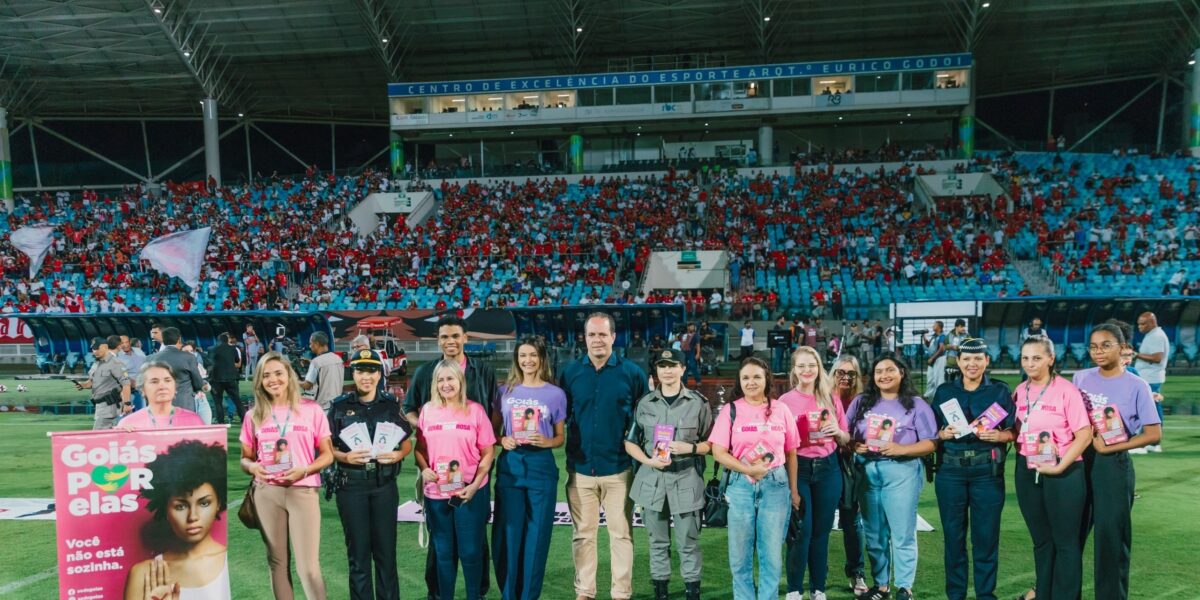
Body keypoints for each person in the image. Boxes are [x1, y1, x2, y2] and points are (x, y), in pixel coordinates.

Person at [403, 315, 498, 600]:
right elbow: (414, 427)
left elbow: (493, 418)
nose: (450, 341)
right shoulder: (426, 381)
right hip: (437, 486)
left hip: (473, 480)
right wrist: (427, 428)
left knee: (473, 546)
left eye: (455, 336)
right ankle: (439, 593)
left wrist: (478, 475)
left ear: (465, 338)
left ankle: (476, 593)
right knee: (442, 548)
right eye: (444, 336)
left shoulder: (481, 378)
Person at [558, 312, 648, 600]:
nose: (597, 340)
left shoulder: (632, 373)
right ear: (584, 338)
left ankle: (621, 593)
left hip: (619, 469)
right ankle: (585, 591)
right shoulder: (570, 373)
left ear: (613, 337)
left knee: (621, 534)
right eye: (591, 334)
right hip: (580, 469)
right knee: (583, 534)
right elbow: (561, 416)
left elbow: (644, 419)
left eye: (602, 334)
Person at [1074, 324, 1162, 600]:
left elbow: (1153, 434)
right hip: (1079, 462)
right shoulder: (1080, 377)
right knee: (1069, 536)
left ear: (1122, 348)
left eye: (1106, 345)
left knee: (1110, 540)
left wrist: (1112, 446)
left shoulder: (1137, 385)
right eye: (1093, 346)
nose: (1098, 351)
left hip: (1112, 464)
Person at [239, 352, 334, 600]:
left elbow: (327, 455)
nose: (273, 380)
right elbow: (245, 458)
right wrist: (253, 468)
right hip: (266, 493)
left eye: (278, 373)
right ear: (259, 381)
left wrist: (305, 469)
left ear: (289, 375)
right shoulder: (253, 415)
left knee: (308, 567)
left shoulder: (311, 410)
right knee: (277, 563)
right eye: (266, 375)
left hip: (303, 489)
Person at [707, 356, 800, 600]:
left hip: (776, 486)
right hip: (740, 485)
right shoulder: (731, 410)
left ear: (766, 379)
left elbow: (791, 453)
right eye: (746, 377)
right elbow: (718, 452)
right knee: (739, 556)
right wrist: (748, 470)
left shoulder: (781, 409)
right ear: (739, 381)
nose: (751, 382)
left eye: (757, 377)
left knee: (771, 556)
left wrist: (793, 491)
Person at [847, 353, 938, 600]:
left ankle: (904, 586)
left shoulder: (916, 404)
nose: (884, 376)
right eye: (879, 371)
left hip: (902, 471)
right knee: (874, 533)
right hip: (867, 472)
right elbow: (846, 435)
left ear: (902, 373)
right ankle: (881, 586)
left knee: (902, 532)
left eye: (890, 370)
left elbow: (931, 442)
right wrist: (855, 446)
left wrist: (902, 449)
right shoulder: (861, 402)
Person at [624, 348, 713, 600]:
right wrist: (647, 460)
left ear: (683, 369)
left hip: (686, 480)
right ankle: (660, 592)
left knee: (688, 543)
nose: (667, 371)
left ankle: (692, 593)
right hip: (652, 481)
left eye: (673, 365)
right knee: (657, 542)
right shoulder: (644, 403)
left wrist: (690, 448)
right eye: (662, 366)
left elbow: (712, 444)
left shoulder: (698, 403)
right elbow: (630, 442)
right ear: (656, 370)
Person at [930, 338, 1015, 600]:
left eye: (978, 358)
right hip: (950, 472)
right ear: (958, 361)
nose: (972, 364)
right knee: (953, 538)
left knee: (986, 538)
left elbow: (1014, 431)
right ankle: (956, 595)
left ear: (987, 361)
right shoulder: (944, 391)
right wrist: (942, 433)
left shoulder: (1000, 391)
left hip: (987, 472)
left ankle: (985, 595)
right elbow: (929, 430)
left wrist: (1000, 436)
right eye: (966, 358)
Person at [328, 349, 414, 600]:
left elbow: (406, 441)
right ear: (353, 373)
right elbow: (325, 447)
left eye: (371, 371)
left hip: (384, 484)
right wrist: (344, 457)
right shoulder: (339, 406)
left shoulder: (390, 405)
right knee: (358, 556)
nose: (366, 376)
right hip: (351, 486)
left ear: (379, 374)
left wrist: (398, 455)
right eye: (360, 371)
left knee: (386, 555)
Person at [1010, 337, 1091, 600]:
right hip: (1027, 470)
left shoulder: (1067, 390)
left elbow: (1084, 435)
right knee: (1041, 541)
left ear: (1050, 358)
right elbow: (1016, 431)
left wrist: (1059, 468)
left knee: (1066, 543)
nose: (1030, 363)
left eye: (1036, 358)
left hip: (1064, 472)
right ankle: (1043, 594)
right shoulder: (1019, 391)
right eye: (1025, 358)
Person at [494, 336, 567, 600]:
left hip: (541, 467)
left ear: (542, 358)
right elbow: (493, 432)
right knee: (510, 534)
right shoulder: (504, 392)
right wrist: (503, 440)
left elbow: (560, 437)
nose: (528, 360)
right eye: (523, 355)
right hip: (511, 466)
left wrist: (547, 441)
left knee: (537, 537)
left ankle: (529, 596)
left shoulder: (555, 394)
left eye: (533, 355)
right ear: (516, 359)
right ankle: (509, 595)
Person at [778, 347, 851, 600]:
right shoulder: (784, 401)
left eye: (812, 365)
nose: (807, 370)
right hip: (798, 469)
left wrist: (837, 431)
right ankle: (794, 589)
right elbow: (780, 440)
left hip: (829, 469)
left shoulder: (830, 397)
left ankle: (818, 588)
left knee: (821, 533)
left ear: (819, 368)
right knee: (800, 532)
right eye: (801, 366)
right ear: (794, 370)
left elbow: (846, 437)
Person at [124, 439, 230, 600]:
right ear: (166, 509)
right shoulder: (143, 575)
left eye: (204, 503)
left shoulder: (234, 564)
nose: (193, 517)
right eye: (181, 506)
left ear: (219, 503)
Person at [830, 355, 868, 596]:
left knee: (852, 520)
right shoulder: (822, 397)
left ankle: (856, 572)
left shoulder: (864, 401)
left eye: (851, 373)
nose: (845, 377)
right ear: (833, 374)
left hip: (850, 464)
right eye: (840, 372)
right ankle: (816, 576)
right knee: (816, 522)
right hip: (823, 462)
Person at [118, 360, 205, 430]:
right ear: (143, 390)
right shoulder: (128, 423)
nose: (162, 386)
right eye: (154, 381)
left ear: (175, 387)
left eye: (167, 380)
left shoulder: (194, 420)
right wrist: (120, 435)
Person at [78, 336, 132, 430]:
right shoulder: (97, 363)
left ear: (105, 347)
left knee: (97, 436)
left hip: (109, 407)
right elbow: (93, 382)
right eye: (93, 349)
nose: (94, 351)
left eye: (97, 348)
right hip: (100, 407)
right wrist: (83, 385)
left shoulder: (115, 363)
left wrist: (127, 404)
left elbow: (126, 384)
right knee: (109, 436)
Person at [1133, 312, 1168, 452]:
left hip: (1151, 378)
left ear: (1152, 322)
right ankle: (1154, 443)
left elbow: (1157, 358)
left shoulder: (1156, 336)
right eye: (1139, 324)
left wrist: (1135, 355)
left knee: (1147, 411)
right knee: (1153, 410)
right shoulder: (1153, 335)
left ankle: (1144, 443)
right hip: (1150, 378)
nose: (1140, 327)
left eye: (1143, 324)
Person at [150, 327, 208, 411]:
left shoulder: (150, 359)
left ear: (163, 339)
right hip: (184, 405)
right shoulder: (188, 357)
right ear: (179, 339)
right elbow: (198, 384)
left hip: (160, 405)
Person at [300, 332, 343, 411]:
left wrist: (293, 380)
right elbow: (327, 365)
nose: (310, 346)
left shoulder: (316, 362)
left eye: (311, 343)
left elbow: (307, 385)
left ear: (317, 344)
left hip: (323, 408)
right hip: (337, 404)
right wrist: (310, 362)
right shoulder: (338, 358)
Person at [209, 333, 244, 424]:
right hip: (231, 378)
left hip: (216, 379)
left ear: (218, 340)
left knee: (218, 402)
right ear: (227, 340)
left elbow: (209, 362)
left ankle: (220, 422)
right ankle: (244, 419)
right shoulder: (233, 348)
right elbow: (237, 361)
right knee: (237, 401)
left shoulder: (212, 349)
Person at [116, 335, 147, 410]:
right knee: (128, 414)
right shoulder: (117, 356)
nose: (125, 345)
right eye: (122, 343)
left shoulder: (138, 351)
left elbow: (146, 365)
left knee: (142, 413)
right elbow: (120, 374)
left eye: (126, 342)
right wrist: (131, 382)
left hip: (142, 389)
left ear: (130, 342)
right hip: (128, 391)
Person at [922, 321, 947, 397]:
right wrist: (923, 336)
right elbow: (928, 344)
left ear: (939, 327)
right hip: (932, 359)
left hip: (940, 358)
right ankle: (928, 394)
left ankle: (939, 394)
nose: (932, 326)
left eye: (934, 325)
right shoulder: (934, 336)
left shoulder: (942, 336)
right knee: (930, 377)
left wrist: (933, 358)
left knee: (939, 378)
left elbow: (941, 349)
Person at [679, 322, 702, 386]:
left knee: (693, 366)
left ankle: (698, 380)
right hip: (683, 352)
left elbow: (698, 345)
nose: (693, 328)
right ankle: (684, 381)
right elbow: (680, 341)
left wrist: (698, 353)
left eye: (693, 326)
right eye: (691, 326)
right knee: (684, 367)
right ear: (688, 327)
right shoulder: (683, 334)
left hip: (691, 352)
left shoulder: (695, 335)